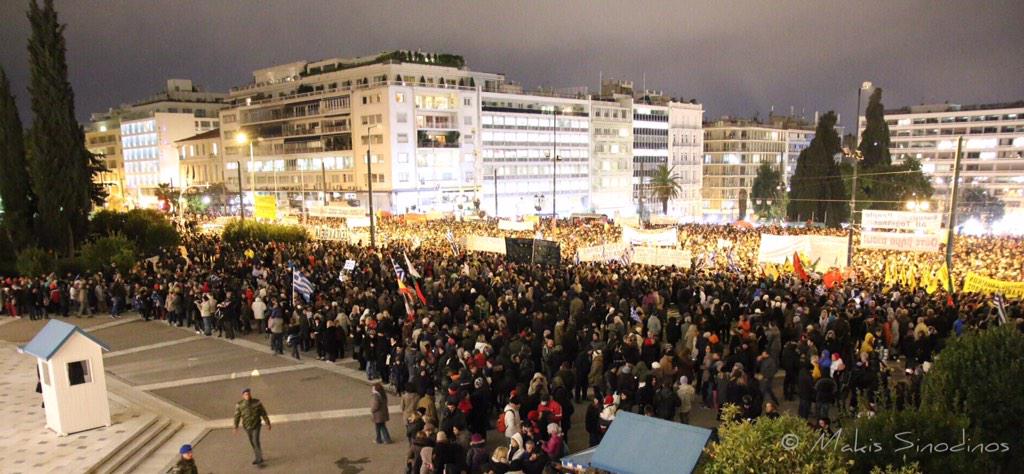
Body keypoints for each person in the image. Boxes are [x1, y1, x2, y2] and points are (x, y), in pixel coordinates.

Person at [233, 388, 271, 466]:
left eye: (249, 394)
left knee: (255, 441)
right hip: (247, 426)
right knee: (252, 442)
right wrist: (235, 426)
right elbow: (237, 416)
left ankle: (259, 459)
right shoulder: (239, 405)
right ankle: (258, 456)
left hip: (256, 425)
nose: (248, 395)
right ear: (243, 396)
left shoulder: (257, 402)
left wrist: (268, 423)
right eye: (246, 394)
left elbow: (263, 413)